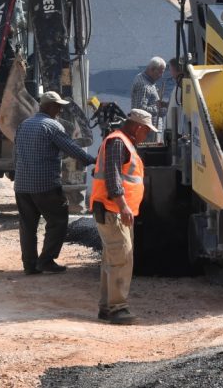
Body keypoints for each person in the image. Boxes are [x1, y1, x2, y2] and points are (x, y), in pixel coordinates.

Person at [13, 91, 97, 275]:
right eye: (58, 106)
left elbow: (17, 152)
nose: (59, 110)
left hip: (22, 185)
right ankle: (46, 261)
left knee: (27, 225)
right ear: (49, 107)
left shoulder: (24, 125)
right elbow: (72, 148)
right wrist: (94, 160)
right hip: (45, 185)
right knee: (57, 221)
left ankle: (29, 265)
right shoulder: (52, 126)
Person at [89, 109, 155, 324]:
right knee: (122, 258)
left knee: (113, 258)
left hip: (115, 210)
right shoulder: (118, 142)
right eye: (147, 131)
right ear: (137, 127)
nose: (148, 136)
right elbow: (113, 177)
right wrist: (123, 205)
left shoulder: (122, 142)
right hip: (113, 210)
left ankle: (107, 307)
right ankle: (118, 308)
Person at [130, 57, 165, 133]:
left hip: (149, 129)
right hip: (147, 131)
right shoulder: (143, 86)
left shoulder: (144, 79)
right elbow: (140, 109)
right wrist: (158, 109)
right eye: (159, 72)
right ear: (152, 69)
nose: (161, 76)